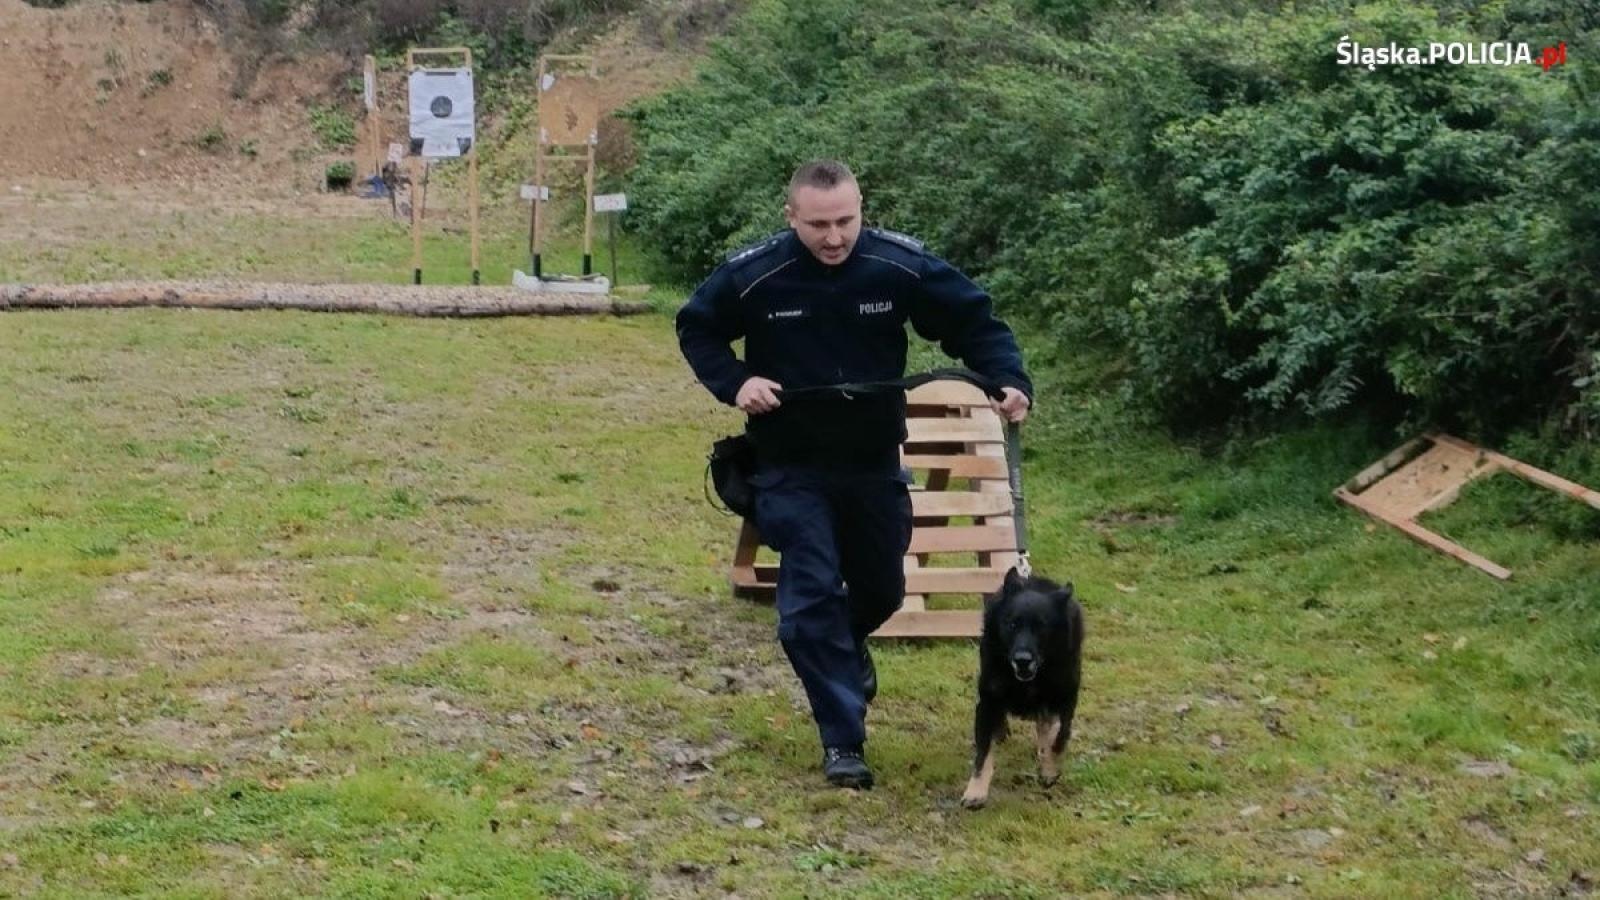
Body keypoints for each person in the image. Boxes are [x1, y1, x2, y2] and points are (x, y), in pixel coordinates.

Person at [676, 160, 1033, 789]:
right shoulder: (757, 274)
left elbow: (973, 322)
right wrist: (738, 383)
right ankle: (843, 741)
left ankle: (843, 649)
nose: (834, 237)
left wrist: (1008, 380)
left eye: (845, 220)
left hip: (872, 463)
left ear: (861, 209)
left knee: (883, 592)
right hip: (790, 466)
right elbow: (696, 326)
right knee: (809, 596)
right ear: (792, 218)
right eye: (818, 225)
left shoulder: (897, 266)